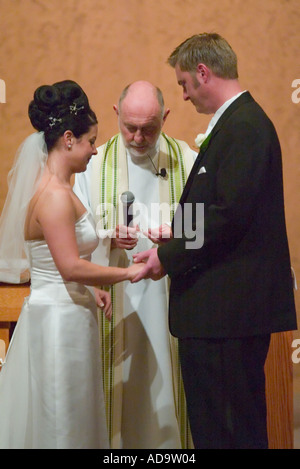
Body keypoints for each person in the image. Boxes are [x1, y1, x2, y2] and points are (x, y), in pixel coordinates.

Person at [132, 33, 297, 449]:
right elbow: (220, 206)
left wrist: (167, 257)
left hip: (227, 314)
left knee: (227, 430)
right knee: (217, 427)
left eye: (184, 84)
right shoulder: (236, 124)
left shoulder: (244, 126)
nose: (183, 96)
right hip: (222, 313)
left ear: (203, 73)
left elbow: (228, 216)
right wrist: (175, 230)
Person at [0, 80, 143, 449]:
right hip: (58, 324)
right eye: (90, 141)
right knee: (62, 421)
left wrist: (91, 288)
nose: (95, 151)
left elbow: (62, 260)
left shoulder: (63, 189)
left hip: (71, 314)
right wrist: (127, 273)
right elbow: (69, 268)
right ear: (68, 139)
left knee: (78, 415)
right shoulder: (53, 197)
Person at [73, 80, 196, 449]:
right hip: (114, 296)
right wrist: (109, 234)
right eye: (130, 127)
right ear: (115, 114)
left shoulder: (187, 160)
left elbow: (203, 231)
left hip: (167, 296)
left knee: (165, 389)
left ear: (166, 117)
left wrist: (175, 235)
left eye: (149, 128)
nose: (138, 137)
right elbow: (72, 230)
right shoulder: (91, 164)